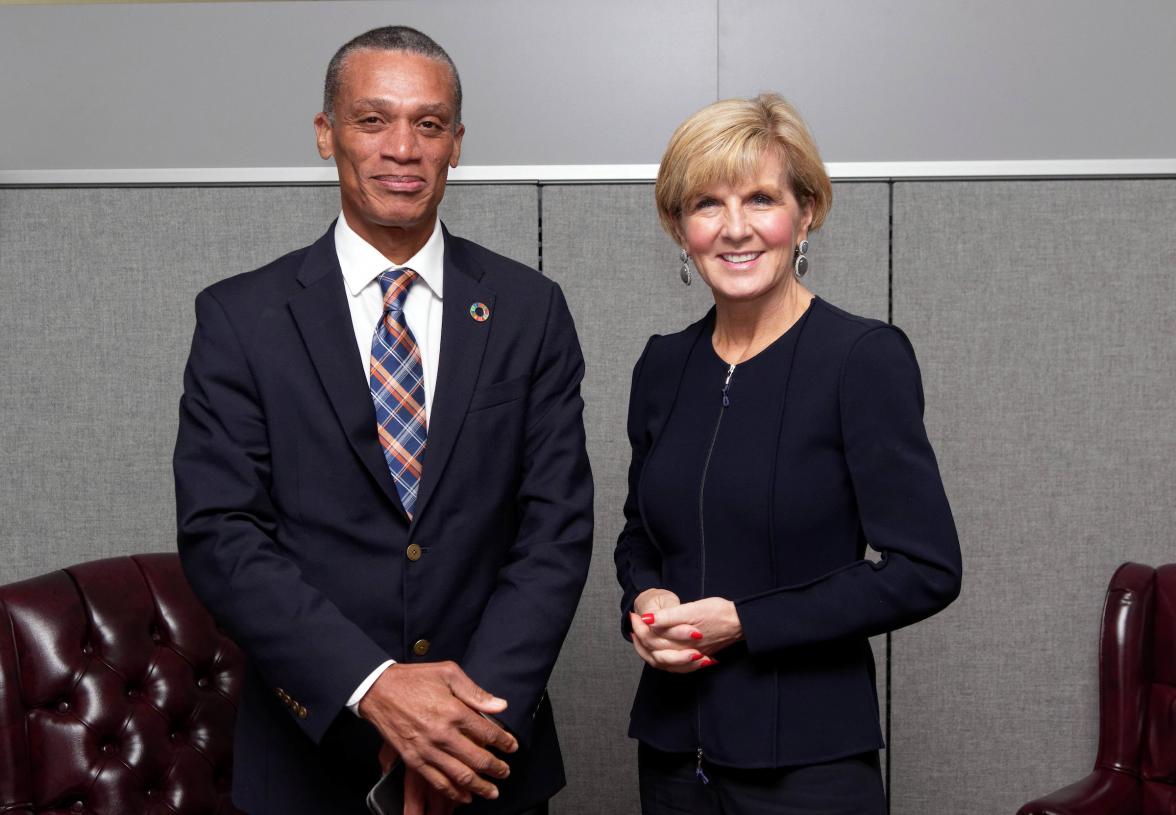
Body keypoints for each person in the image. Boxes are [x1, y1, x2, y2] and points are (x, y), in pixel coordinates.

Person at [175, 26, 592, 815]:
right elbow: (222, 534)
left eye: (428, 124)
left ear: (457, 144)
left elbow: (555, 534)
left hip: (489, 761)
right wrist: (376, 691)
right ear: (326, 134)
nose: (402, 147)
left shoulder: (529, 311)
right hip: (309, 763)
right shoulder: (240, 318)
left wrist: (459, 732)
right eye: (373, 120)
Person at [614, 93, 962, 814]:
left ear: (806, 213)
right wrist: (644, 603)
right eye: (707, 203)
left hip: (810, 769)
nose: (735, 228)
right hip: (674, 759)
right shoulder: (662, 367)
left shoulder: (861, 358)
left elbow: (926, 570)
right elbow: (639, 536)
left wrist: (745, 620)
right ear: (679, 227)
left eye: (761, 198)